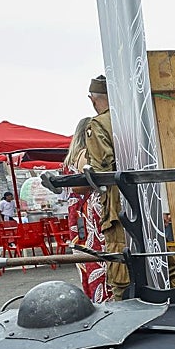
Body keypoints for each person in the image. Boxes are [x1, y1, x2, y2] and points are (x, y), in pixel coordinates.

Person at [83, 74, 131, 301]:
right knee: (160, 261)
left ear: (93, 100)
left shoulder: (99, 124)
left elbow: (103, 170)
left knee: (120, 267)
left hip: (118, 204)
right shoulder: (136, 118)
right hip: (150, 202)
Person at [64, 115, 110, 303]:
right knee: (98, 261)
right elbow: (82, 186)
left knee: (88, 264)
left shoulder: (71, 158)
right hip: (89, 216)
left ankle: (94, 300)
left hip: (78, 218)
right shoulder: (85, 154)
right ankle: (102, 301)